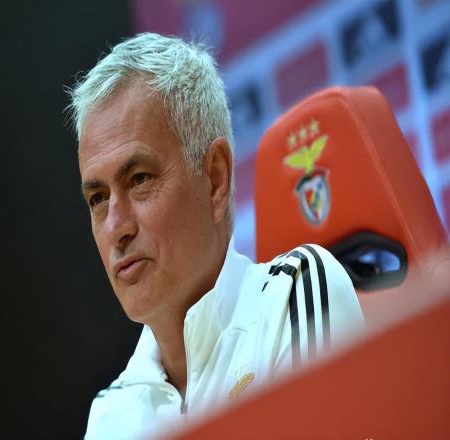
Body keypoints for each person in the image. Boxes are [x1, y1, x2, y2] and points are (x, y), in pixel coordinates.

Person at [68, 33, 364, 439]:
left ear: (215, 179)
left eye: (139, 179)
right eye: (98, 198)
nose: (117, 227)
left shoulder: (293, 299)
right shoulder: (109, 415)